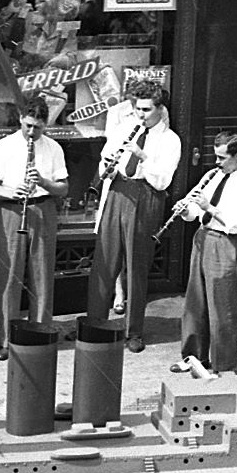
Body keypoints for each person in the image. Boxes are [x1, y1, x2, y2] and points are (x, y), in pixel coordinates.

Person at [88, 81, 181, 352]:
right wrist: (107, 167)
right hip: (117, 191)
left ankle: (134, 331)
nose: (141, 115)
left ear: (159, 108)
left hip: (146, 196)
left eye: (146, 110)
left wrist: (142, 156)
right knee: (104, 262)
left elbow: (163, 180)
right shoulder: (123, 128)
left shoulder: (170, 139)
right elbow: (106, 156)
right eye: (137, 109)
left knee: (137, 267)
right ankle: (95, 325)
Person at [173, 131, 237, 375]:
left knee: (223, 309)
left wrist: (209, 207)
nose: (217, 163)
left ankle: (223, 365)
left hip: (226, 244)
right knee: (195, 303)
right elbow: (194, 211)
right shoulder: (213, 175)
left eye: (222, 158)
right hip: (203, 237)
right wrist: (184, 211)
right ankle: (192, 357)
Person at [0, 96, 68, 359]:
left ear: (45, 124)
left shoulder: (54, 148)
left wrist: (43, 181)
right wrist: (12, 192)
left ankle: (41, 335)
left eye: (38, 127)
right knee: (10, 275)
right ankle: (7, 340)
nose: (32, 132)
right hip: (12, 210)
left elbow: (63, 188)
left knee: (42, 275)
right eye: (28, 126)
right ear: (21, 119)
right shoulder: (3, 146)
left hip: (42, 209)